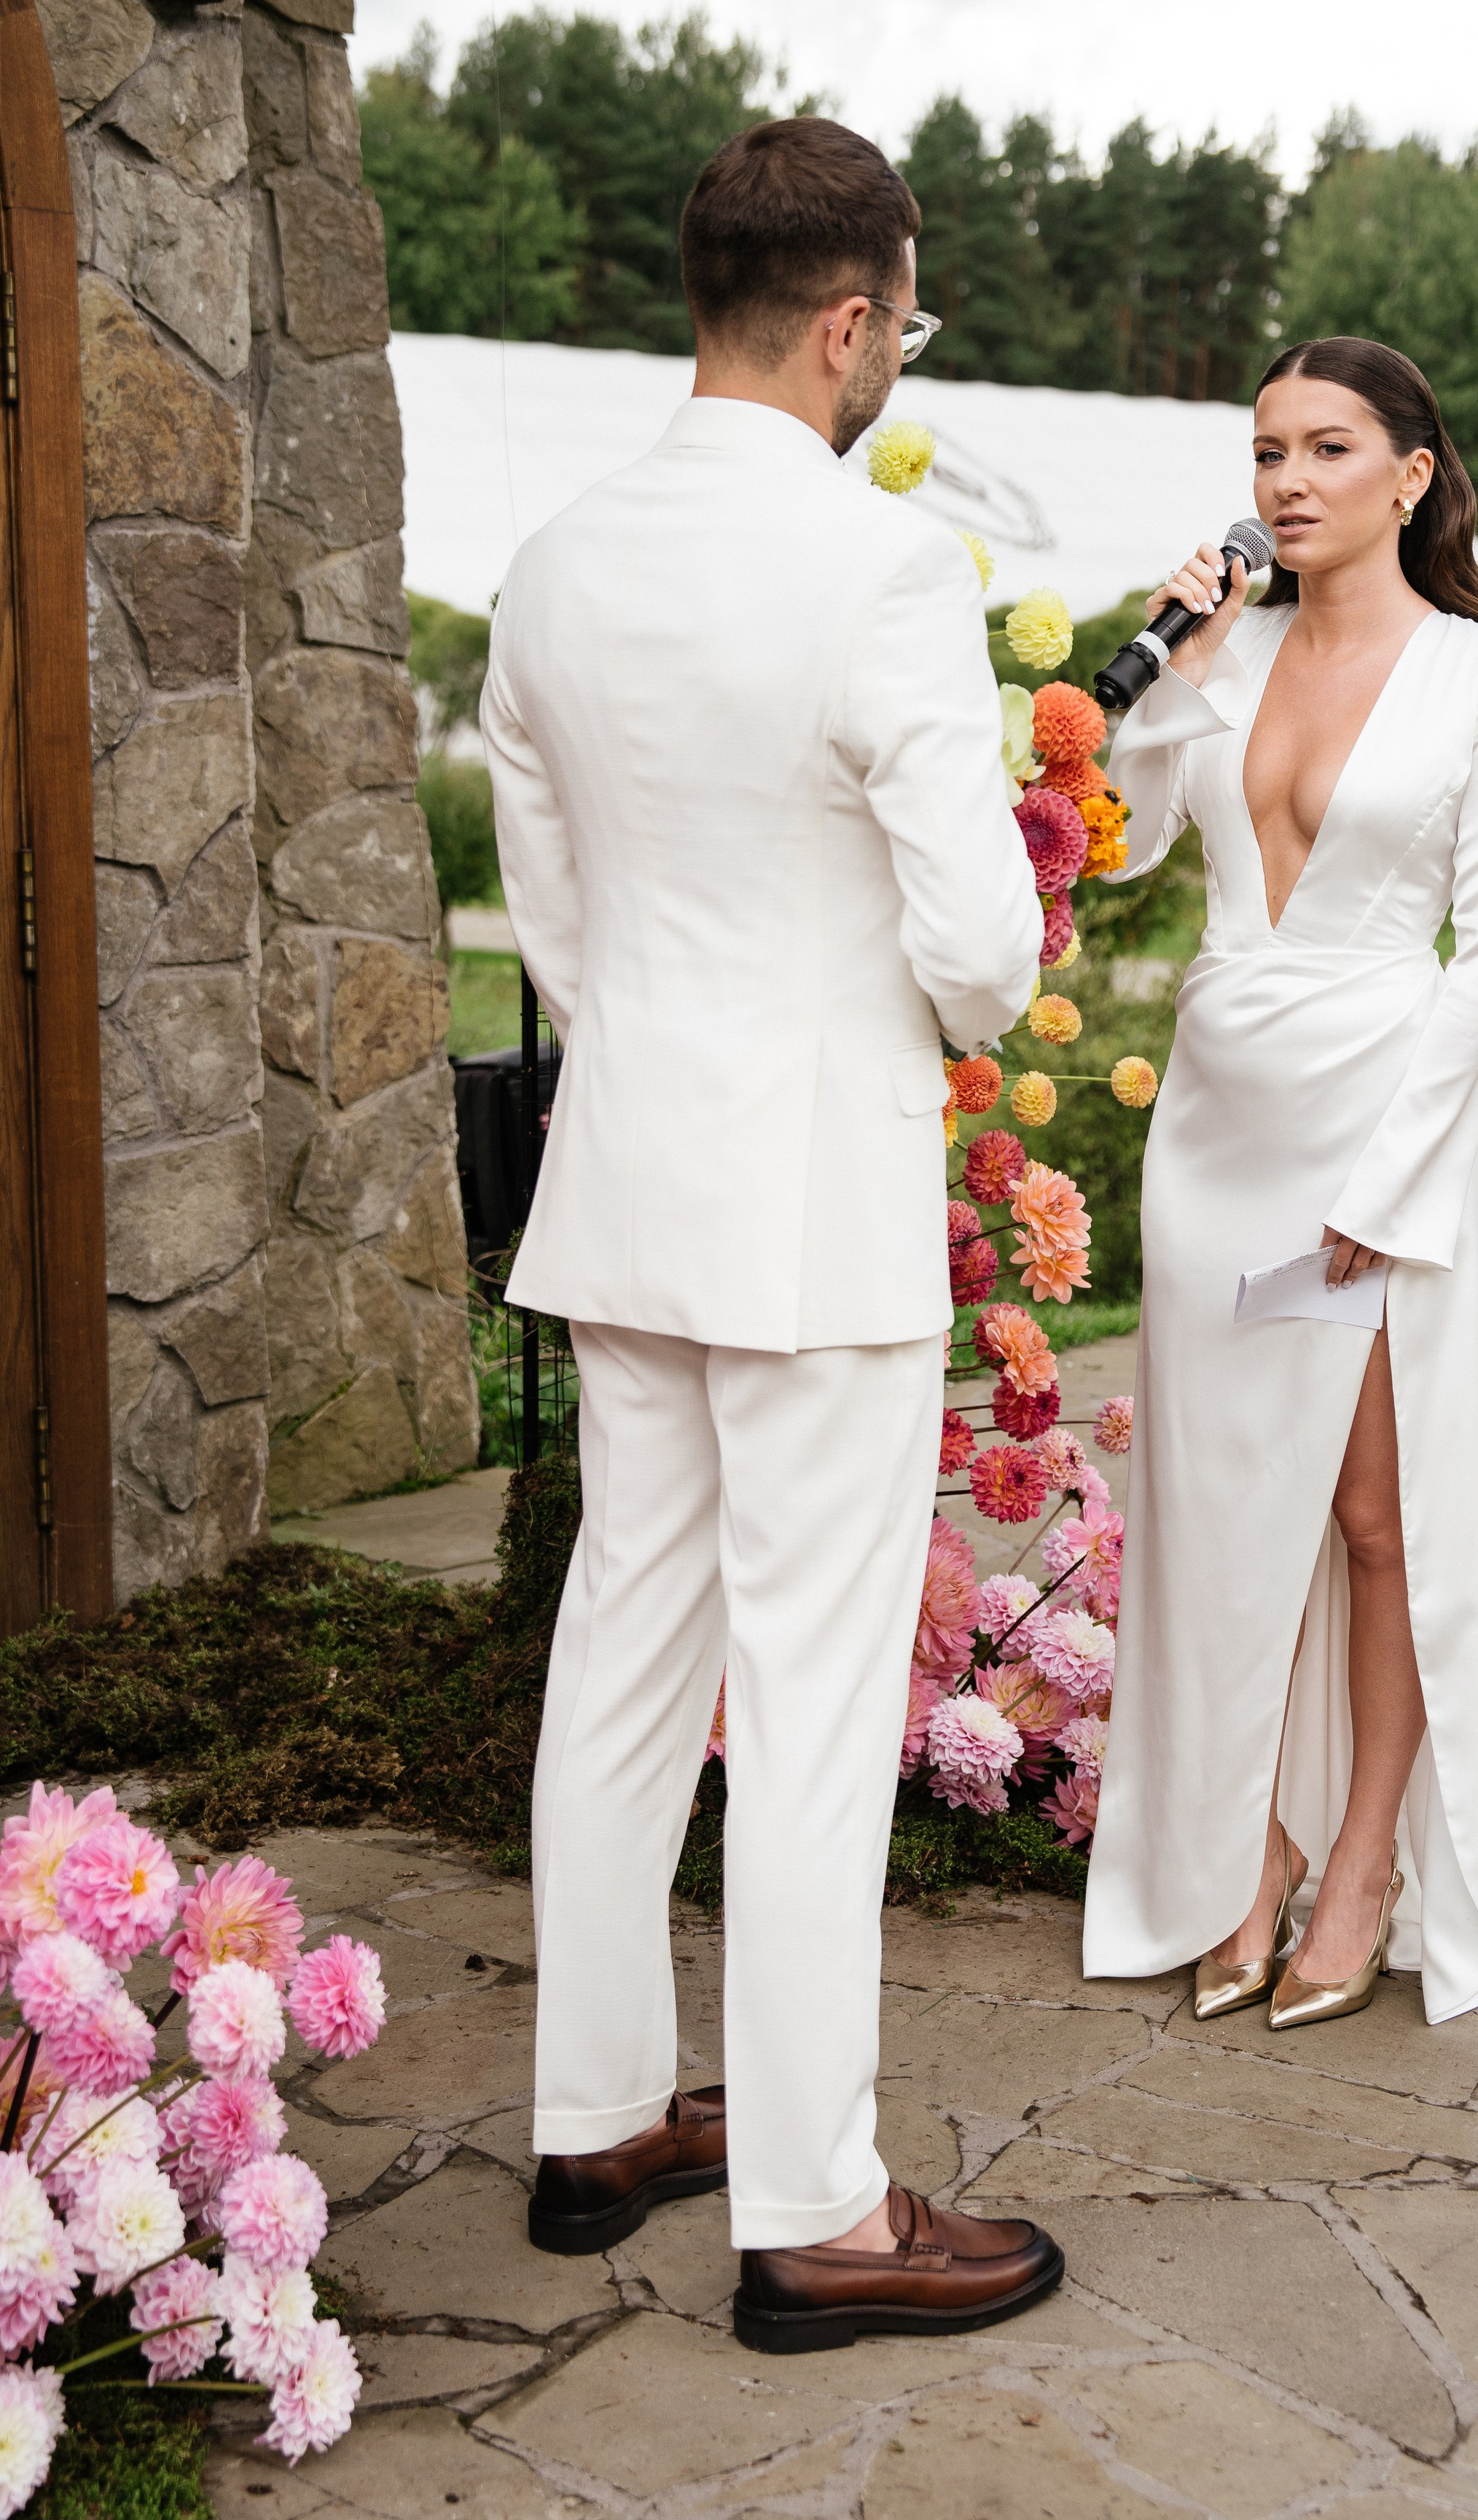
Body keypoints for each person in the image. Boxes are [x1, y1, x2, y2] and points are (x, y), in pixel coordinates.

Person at [482, 117, 1063, 2350]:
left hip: (627, 1171)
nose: (896, 358)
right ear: (847, 324)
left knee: (628, 1643)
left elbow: (556, 914)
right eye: (902, 325)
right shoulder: (879, 570)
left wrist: (660, 1022)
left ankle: (599, 2111)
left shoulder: (553, 562)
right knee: (812, 1693)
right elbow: (988, 953)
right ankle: (816, 2205)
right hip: (811, 1202)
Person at [1081, 336, 1478, 2026]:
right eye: (1267, 448)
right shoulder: (1234, 645)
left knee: (1370, 1517)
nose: (1286, 480)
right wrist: (1177, 667)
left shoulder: (1473, 681)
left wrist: (1395, 1177)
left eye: (1327, 448)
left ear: (1409, 474)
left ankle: (1359, 1859)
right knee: (1224, 1519)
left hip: (1369, 1129)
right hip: (1209, 1130)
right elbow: (1125, 846)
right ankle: (1243, 1855)